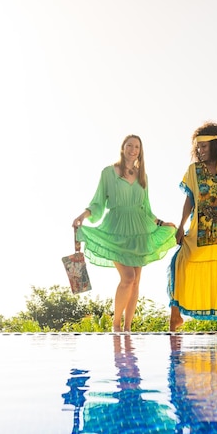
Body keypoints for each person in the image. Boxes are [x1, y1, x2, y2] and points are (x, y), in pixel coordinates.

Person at [72, 134, 176, 332]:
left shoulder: (143, 176)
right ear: (123, 147)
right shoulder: (108, 173)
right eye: (130, 145)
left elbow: (146, 209)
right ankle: (116, 325)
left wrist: (162, 223)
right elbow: (98, 201)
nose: (133, 149)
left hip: (139, 230)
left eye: (137, 146)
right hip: (117, 229)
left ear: (140, 151)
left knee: (136, 281)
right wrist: (83, 216)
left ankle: (128, 327)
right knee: (127, 277)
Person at [169, 122, 217, 333]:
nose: (200, 151)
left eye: (204, 146)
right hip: (200, 229)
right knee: (181, 261)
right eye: (198, 147)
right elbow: (190, 200)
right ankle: (175, 317)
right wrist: (181, 225)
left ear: (215, 145)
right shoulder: (193, 171)